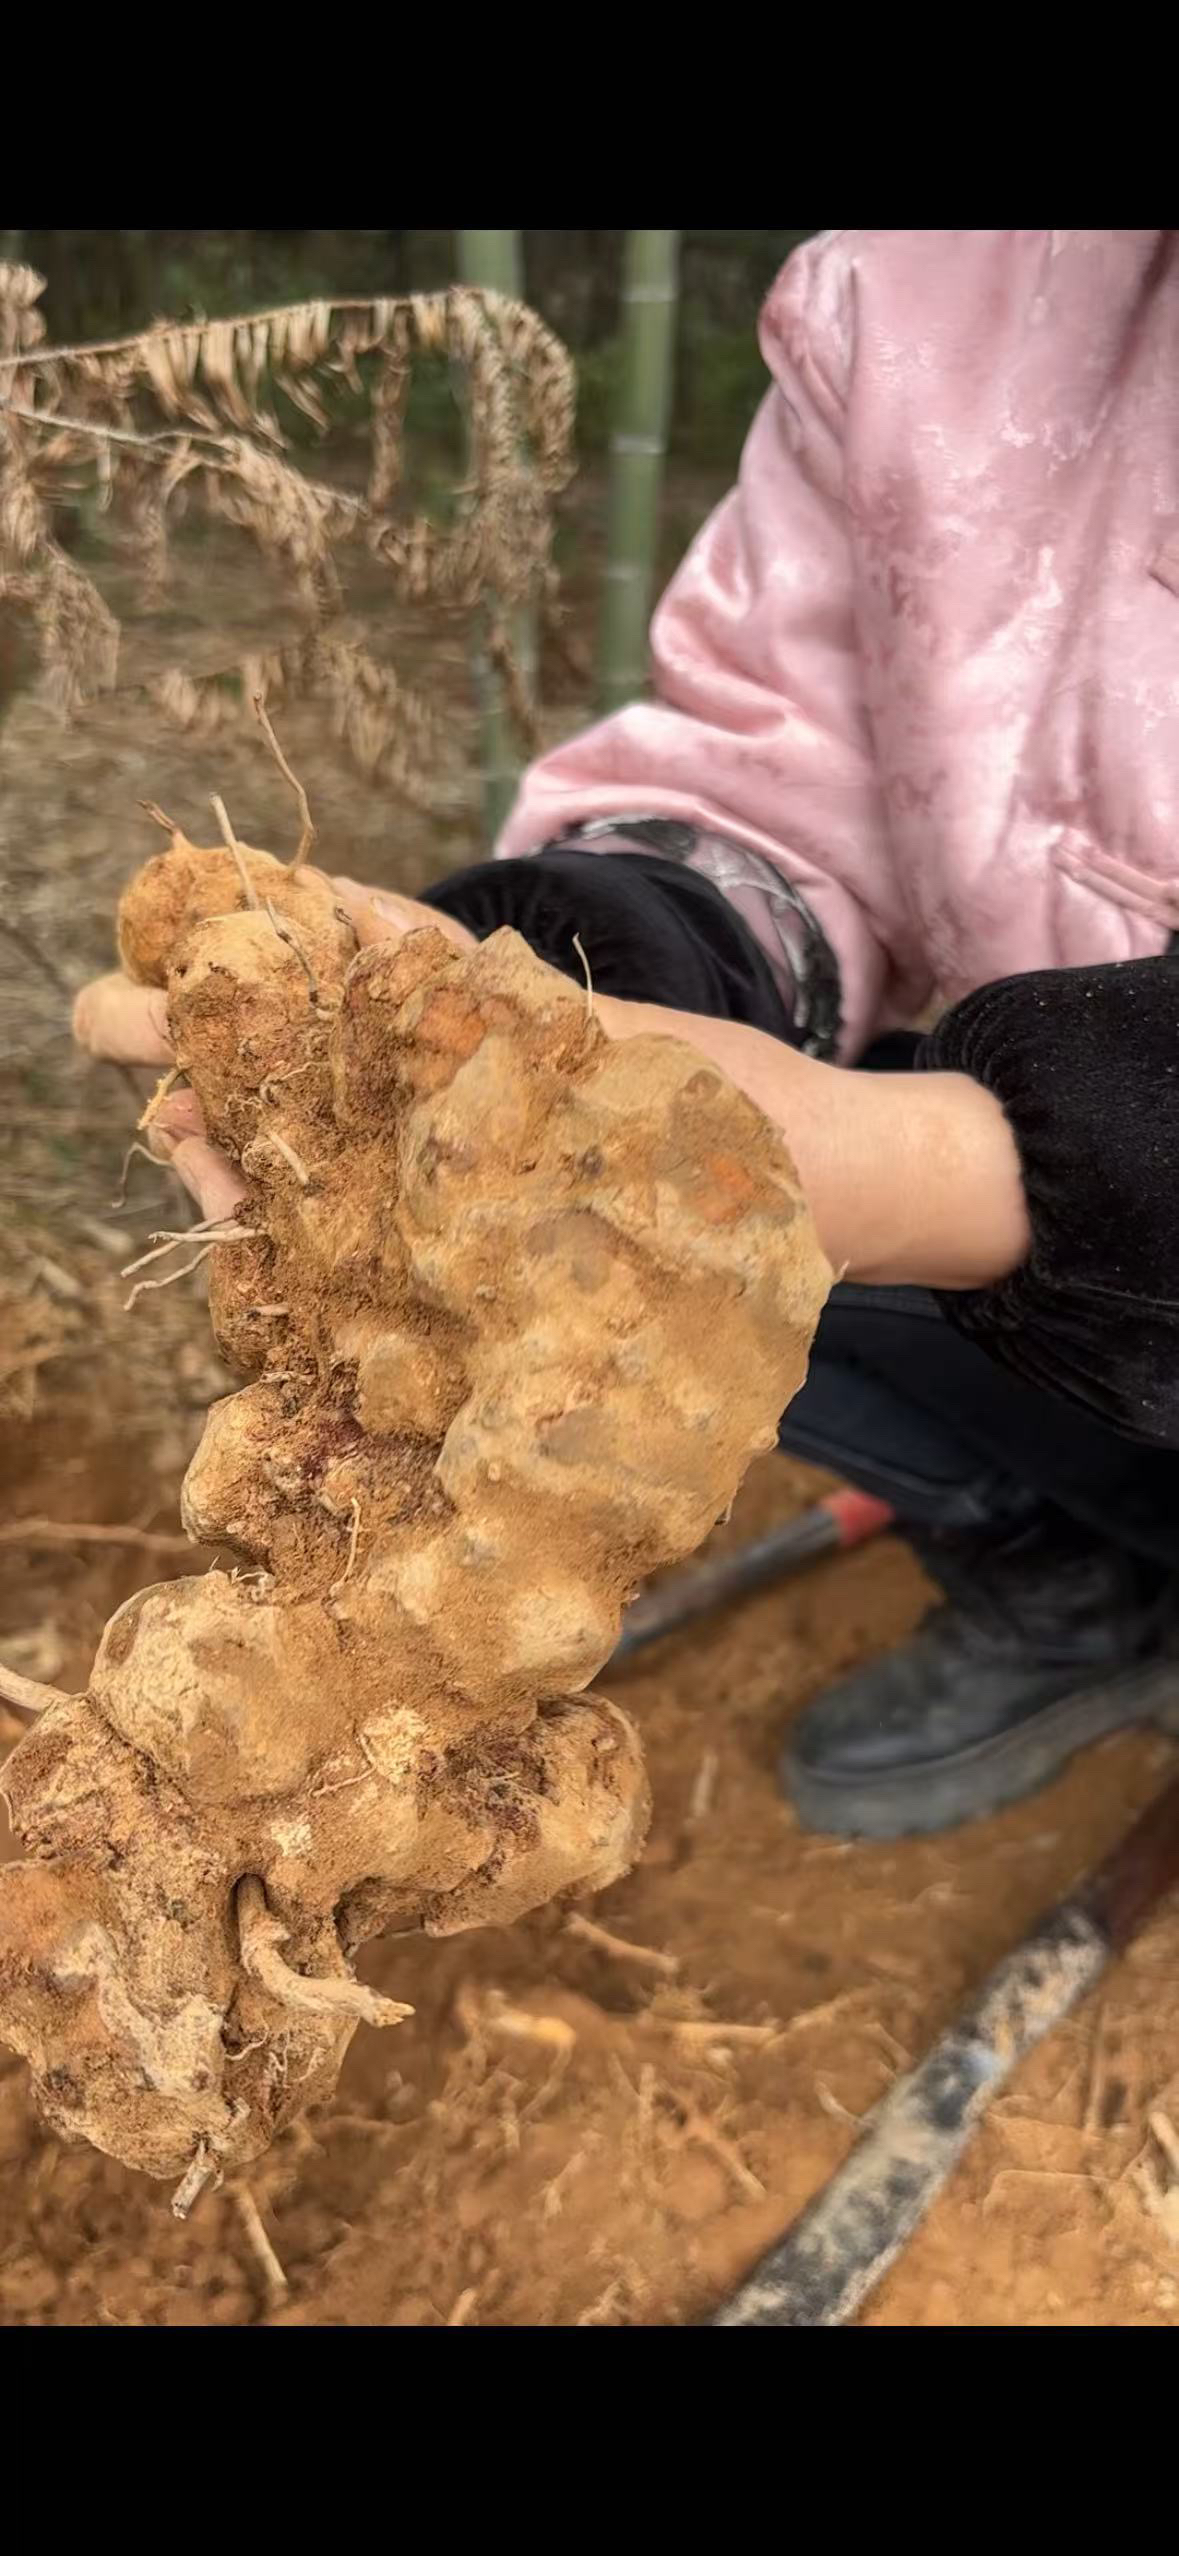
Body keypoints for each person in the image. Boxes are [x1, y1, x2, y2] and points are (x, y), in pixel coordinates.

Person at [74, 228, 1179, 1839]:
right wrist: (566, 977)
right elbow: (793, 789)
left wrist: (960, 1164)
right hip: (1059, 1202)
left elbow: (928, 1158)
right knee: (642, 1253)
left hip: (1087, 1184)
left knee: (748, 1221)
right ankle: (1075, 1589)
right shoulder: (934, 291)